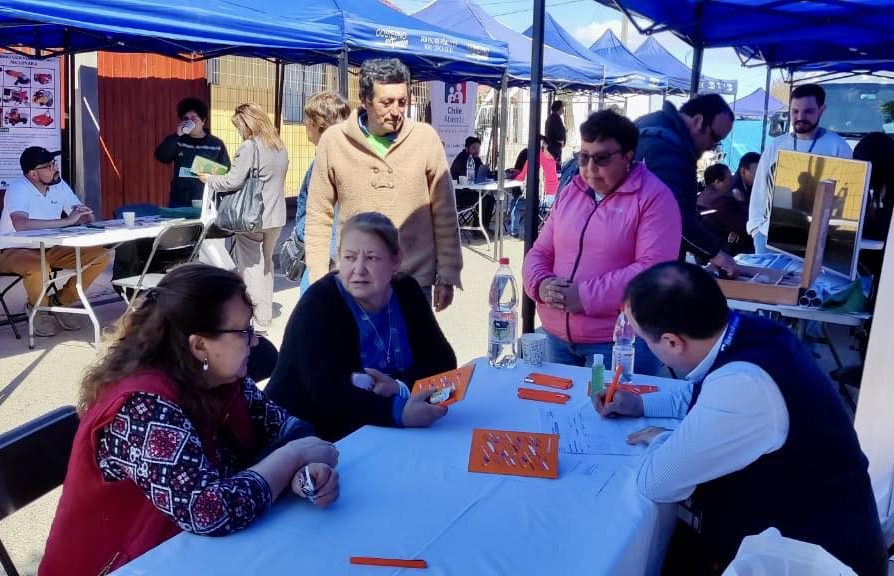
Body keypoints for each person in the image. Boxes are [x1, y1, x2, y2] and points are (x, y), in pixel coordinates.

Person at [39, 265, 340, 576]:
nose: (254, 342)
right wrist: (293, 458)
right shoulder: (141, 407)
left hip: (187, 555)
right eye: (243, 331)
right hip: (120, 566)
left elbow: (290, 430)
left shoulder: (220, 379)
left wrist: (303, 474)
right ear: (199, 346)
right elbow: (208, 510)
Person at [594, 262, 887, 576]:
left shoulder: (744, 386)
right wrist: (641, 404)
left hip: (814, 561)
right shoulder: (746, 329)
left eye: (644, 339)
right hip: (805, 533)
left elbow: (657, 482)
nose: (643, 345)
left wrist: (663, 437)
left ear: (671, 343)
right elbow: (703, 389)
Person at [266, 212, 455, 441]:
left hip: (379, 430)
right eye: (349, 257)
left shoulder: (406, 291)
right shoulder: (320, 304)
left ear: (396, 260)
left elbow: (443, 361)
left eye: (372, 258)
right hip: (309, 436)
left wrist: (399, 387)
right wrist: (397, 411)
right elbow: (326, 394)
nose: (358, 269)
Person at [522, 110, 681, 372]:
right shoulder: (572, 190)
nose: (589, 168)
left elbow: (653, 272)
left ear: (628, 157)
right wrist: (540, 285)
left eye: (601, 159)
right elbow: (540, 250)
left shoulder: (655, 199)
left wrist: (584, 297)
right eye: (583, 157)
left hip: (617, 343)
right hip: (556, 338)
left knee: (609, 411)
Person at [305, 58, 462, 311]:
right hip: (355, 282)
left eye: (402, 101)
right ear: (365, 100)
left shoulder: (426, 139)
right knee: (354, 350)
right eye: (386, 102)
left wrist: (448, 273)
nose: (396, 110)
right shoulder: (334, 142)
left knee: (412, 350)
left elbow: (444, 211)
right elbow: (318, 214)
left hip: (413, 282)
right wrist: (318, 276)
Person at [0, 147, 111, 337]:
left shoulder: (59, 185)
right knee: (39, 266)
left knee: (100, 255)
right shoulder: (17, 188)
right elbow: (21, 224)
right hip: (14, 249)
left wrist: (86, 215)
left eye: (54, 163)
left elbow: (80, 214)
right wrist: (67, 221)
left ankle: (60, 302)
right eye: (49, 166)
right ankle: (38, 310)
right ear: (33, 174)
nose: (55, 168)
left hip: (50, 246)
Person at [198, 103, 288, 335]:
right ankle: (265, 316)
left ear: (247, 123)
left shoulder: (250, 146)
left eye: (239, 126)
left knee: (251, 268)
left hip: (252, 216)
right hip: (276, 216)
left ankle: (257, 319)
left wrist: (209, 179)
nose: (239, 131)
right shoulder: (279, 145)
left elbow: (232, 181)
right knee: (266, 265)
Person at [636, 93, 738, 277]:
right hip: (646, 265)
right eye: (714, 139)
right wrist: (715, 253)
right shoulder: (666, 150)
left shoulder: (649, 122)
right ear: (698, 121)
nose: (711, 148)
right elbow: (673, 216)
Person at [747, 84, 852, 253]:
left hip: (815, 243)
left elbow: (843, 201)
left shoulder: (838, 147)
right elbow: (760, 190)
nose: (800, 117)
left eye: (808, 111)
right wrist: (756, 231)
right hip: (769, 240)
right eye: (795, 111)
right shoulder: (776, 145)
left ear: (821, 110)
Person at [292, 91, 351, 293]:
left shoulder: (326, 161)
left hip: (326, 256)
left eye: (307, 118)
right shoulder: (353, 154)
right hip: (342, 253)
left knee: (312, 317)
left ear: (320, 123)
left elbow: (317, 214)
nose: (304, 124)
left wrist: (302, 235)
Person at [155, 97, 230, 208]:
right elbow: (161, 156)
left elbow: (225, 170)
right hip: (179, 200)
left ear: (203, 120)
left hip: (205, 200)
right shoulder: (179, 140)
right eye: (186, 118)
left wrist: (210, 175)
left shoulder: (216, 144)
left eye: (194, 119)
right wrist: (176, 136)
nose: (189, 122)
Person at [508, 135, 560, 237]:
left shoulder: (534, 156)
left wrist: (511, 175)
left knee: (515, 203)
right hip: (556, 198)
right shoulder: (553, 158)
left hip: (542, 200)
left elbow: (521, 178)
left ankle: (514, 231)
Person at [698, 163, 752, 256]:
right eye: (730, 179)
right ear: (717, 182)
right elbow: (745, 226)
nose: (732, 183)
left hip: (706, 248)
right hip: (723, 251)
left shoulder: (702, 196)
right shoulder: (721, 201)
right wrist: (741, 202)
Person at [452, 136, 496, 232]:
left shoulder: (476, 159)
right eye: (474, 148)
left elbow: (483, 173)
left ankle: (485, 227)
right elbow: (465, 178)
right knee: (482, 200)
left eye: (478, 148)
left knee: (490, 199)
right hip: (460, 195)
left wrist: (493, 174)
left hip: (470, 192)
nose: (477, 150)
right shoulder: (461, 159)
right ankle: (477, 230)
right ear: (467, 149)